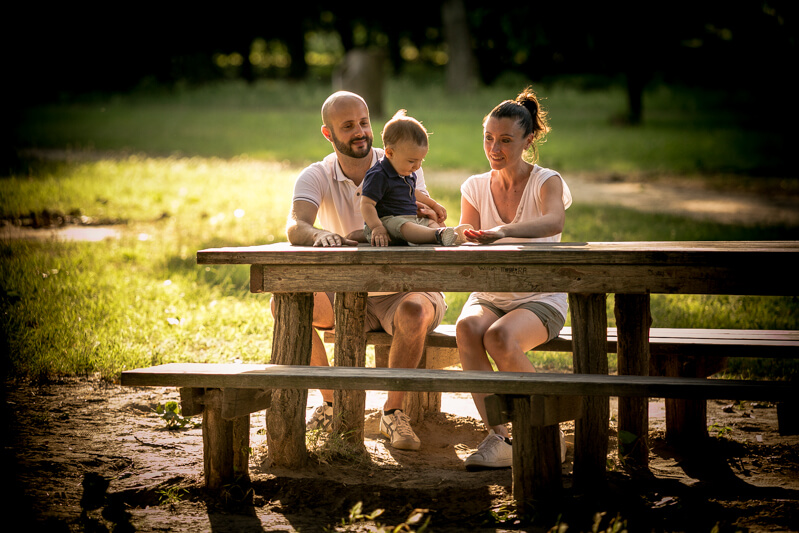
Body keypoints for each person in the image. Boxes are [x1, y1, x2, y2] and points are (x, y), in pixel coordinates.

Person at [280, 91, 448, 451]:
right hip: (347, 294)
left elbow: (416, 217)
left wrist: (428, 214)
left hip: (404, 289)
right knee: (289, 304)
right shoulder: (316, 174)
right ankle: (332, 404)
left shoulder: (397, 160)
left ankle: (393, 413)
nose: (360, 132)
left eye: (364, 122)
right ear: (328, 134)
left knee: (414, 310)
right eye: (348, 126)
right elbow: (296, 226)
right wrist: (319, 233)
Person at [455, 86, 573, 470]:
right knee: (467, 328)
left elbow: (554, 220)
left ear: (528, 139)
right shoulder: (474, 186)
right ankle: (501, 436)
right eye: (489, 138)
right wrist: (450, 231)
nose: (494, 148)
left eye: (505, 140)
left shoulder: (546, 181)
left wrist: (505, 230)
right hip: (490, 293)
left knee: (500, 336)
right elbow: (467, 237)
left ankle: (548, 432)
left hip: (540, 297)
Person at [361, 109, 472, 247]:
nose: (417, 166)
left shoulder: (405, 172)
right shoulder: (378, 175)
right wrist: (377, 227)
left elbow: (413, 192)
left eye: (421, 161)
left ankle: (449, 234)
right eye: (412, 161)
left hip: (410, 219)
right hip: (387, 222)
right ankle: (437, 235)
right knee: (405, 226)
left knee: (430, 222)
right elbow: (366, 204)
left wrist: (433, 205)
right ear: (389, 152)